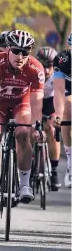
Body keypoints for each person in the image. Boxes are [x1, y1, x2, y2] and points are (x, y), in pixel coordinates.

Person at [0, 30, 43, 207]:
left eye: (25, 52)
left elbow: (36, 103)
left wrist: (37, 127)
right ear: (8, 50)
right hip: (0, 104)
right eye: (16, 51)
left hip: (22, 103)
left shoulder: (36, 69)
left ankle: (25, 184)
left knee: (23, 133)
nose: (20, 56)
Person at [36, 46, 61, 190]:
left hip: (51, 102)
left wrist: (57, 116)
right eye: (43, 66)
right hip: (35, 101)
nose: (45, 70)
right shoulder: (33, 71)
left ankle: (54, 171)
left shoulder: (58, 75)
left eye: (49, 66)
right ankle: (31, 160)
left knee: (52, 129)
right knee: (29, 129)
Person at [53, 33, 71, 188]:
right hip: (68, 90)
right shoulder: (62, 59)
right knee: (68, 105)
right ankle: (70, 163)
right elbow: (59, 90)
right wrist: (58, 114)